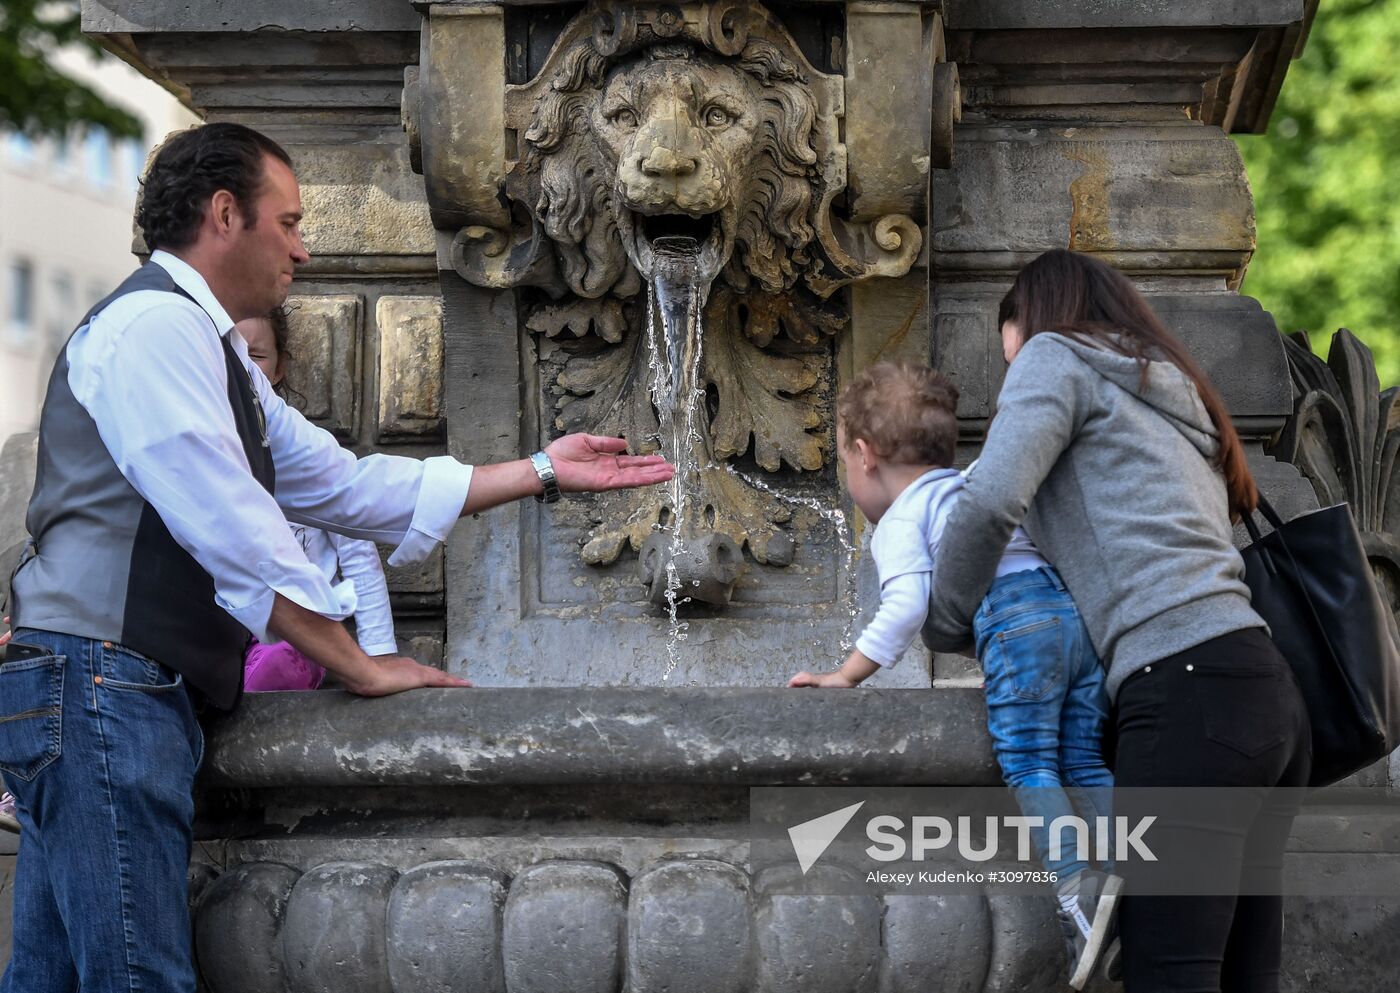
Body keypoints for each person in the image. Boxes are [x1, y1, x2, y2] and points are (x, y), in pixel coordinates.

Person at [0, 122, 673, 993]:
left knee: (49, 981)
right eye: (289, 221)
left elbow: (344, 484)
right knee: (136, 977)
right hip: (101, 684)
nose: (305, 248)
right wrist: (354, 660)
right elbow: (232, 524)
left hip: (97, 684)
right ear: (224, 213)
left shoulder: (214, 354)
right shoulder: (153, 329)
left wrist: (543, 468)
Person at [922, 249, 1311, 992]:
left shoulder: (1054, 357)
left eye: (1014, 354)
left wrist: (946, 620)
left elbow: (990, 502)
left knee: (1169, 975)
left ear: (1033, 324)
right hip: (1269, 700)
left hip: (1189, 698)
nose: (1017, 376)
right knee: (1246, 977)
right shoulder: (1174, 390)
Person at [788, 362, 1121, 988]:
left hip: (1017, 626)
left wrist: (848, 674)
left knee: (1029, 763)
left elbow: (908, 603)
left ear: (864, 455)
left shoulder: (903, 519)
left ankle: (1079, 893)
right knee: (1083, 757)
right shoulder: (971, 486)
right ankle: (1134, 874)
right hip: (1069, 617)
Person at [237, 308, 398, 690]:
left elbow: (360, 560)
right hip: (222, 630)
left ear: (279, 369)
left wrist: (380, 656)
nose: (242, 368)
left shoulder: (306, 456)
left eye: (256, 356)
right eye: (228, 356)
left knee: (275, 665)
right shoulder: (197, 450)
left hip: (297, 637)